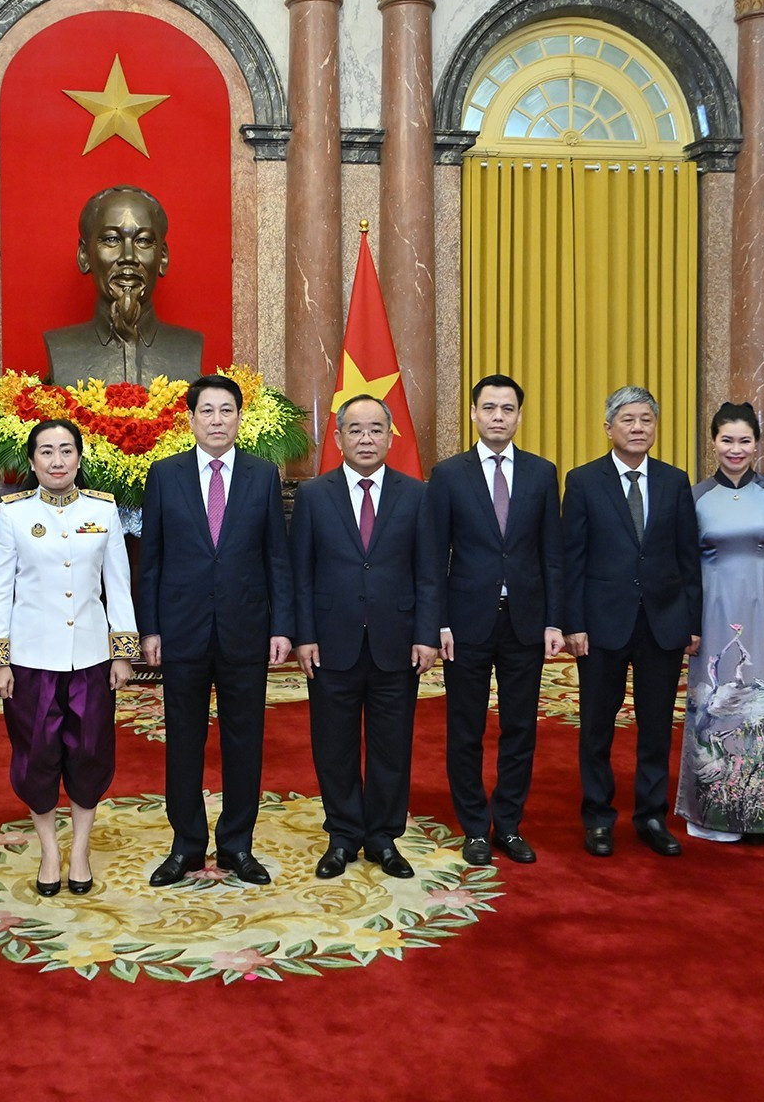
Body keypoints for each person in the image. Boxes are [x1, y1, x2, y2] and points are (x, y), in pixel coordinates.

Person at [140, 373, 294, 887]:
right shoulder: (164, 474)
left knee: (244, 740)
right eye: (207, 410)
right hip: (181, 630)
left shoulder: (262, 474)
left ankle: (236, 845)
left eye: (226, 410)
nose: (217, 420)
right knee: (183, 740)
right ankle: (186, 845)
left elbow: (276, 557)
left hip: (245, 629)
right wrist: (150, 628)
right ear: (190, 419)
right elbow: (151, 560)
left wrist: (282, 625)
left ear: (239, 418)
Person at [0, 419, 138, 896]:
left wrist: (122, 652)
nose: (57, 460)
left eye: (66, 450)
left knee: (90, 753)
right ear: (32, 462)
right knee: (37, 755)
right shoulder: (12, 514)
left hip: (90, 657)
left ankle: (81, 849)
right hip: (31, 659)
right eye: (46, 452)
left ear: (79, 458)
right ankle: (50, 850)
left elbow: (118, 584)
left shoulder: (103, 510)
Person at [291, 395, 440, 879]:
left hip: (397, 641)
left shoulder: (416, 494)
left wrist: (426, 634)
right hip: (330, 642)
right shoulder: (314, 495)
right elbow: (301, 574)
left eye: (376, 429)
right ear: (338, 438)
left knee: (391, 745)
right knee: (333, 745)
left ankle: (382, 837)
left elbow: (428, 572)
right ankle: (342, 835)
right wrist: (304, 635)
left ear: (390, 437)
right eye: (355, 430)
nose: (366, 439)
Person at [428, 374, 564, 868]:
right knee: (465, 728)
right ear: (473, 414)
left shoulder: (542, 473)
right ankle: (474, 827)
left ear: (519, 416)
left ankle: (507, 824)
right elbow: (433, 556)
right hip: (465, 624)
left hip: (525, 621)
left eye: (508, 409)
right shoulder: (448, 475)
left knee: (520, 727)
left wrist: (554, 620)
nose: (498, 417)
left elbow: (552, 554)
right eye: (489, 408)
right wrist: (439, 623)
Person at [562, 386, 701, 858]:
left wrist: (692, 621)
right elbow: (572, 558)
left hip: (662, 623)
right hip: (602, 624)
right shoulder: (583, 481)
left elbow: (688, 558)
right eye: (628, 420)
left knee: (656, 726)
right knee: (597, 727)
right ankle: (598, 818)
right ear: (608, 428)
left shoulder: (674, 481)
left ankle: (651, 817)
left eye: (646, 420)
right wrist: (573, 623)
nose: (638, 428)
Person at [674, 402, 764, 843]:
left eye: (744, 441)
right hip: (713, 607)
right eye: (727, 440)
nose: (736, 449)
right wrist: (687, 619)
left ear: (757, 444)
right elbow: (684, 562)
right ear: (713, 442)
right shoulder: (695, 496)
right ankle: (711, 811)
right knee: (711, 704)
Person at [44, 185, 205, 386]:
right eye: (112, 239)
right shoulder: (60, 347)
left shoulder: (189, 347)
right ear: (84, 256)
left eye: (143, 241)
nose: (128, 256)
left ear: (162, 258)